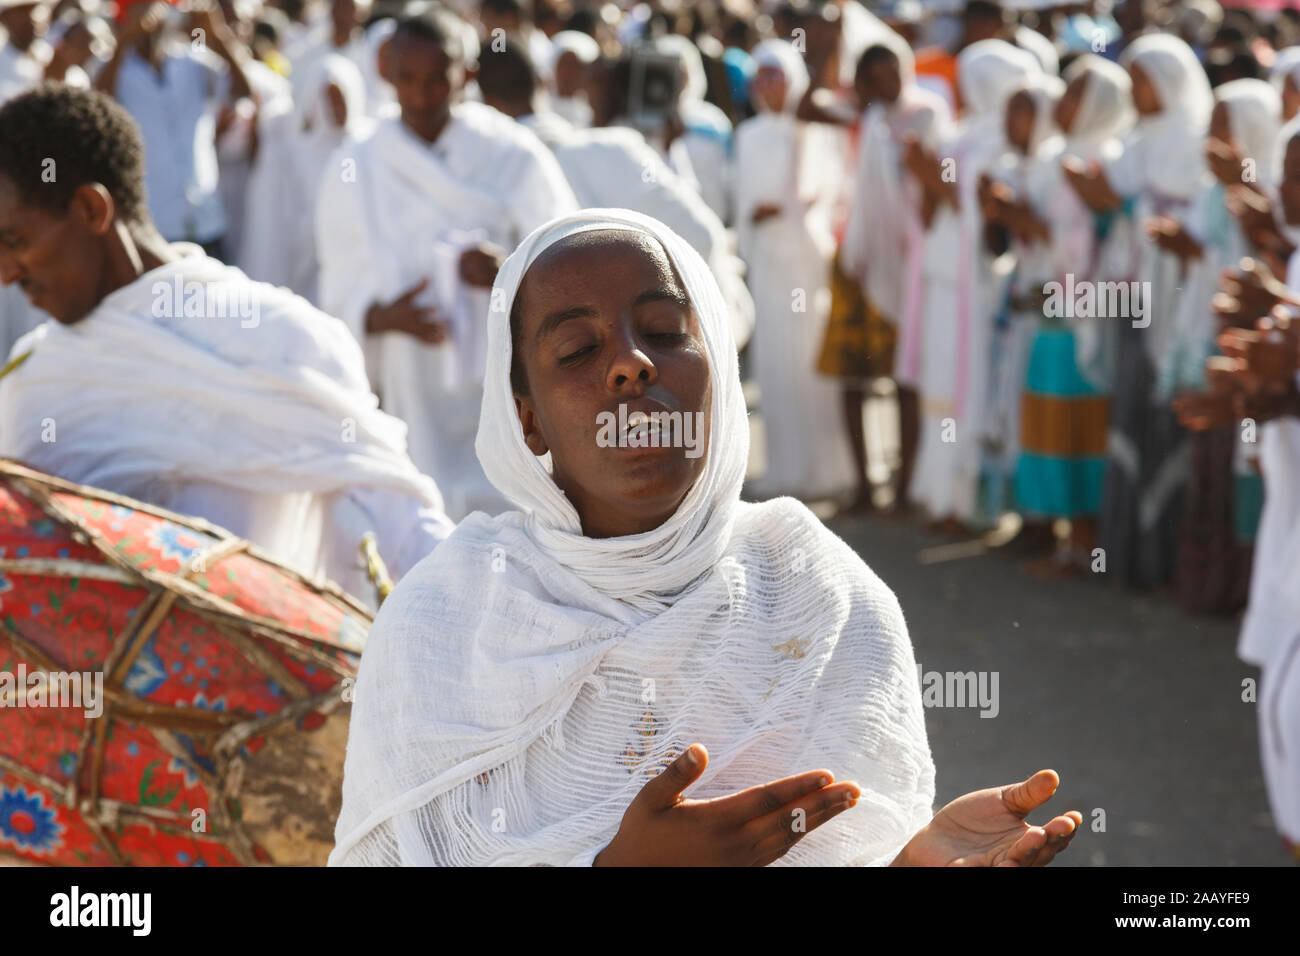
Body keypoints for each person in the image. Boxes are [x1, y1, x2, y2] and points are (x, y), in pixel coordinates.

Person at [329, 207, 1083, 866]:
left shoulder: (821, 594)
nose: (630, 363)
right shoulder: (445, 624)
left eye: (663, 332)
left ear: (717, 368)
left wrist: (911, 864)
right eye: (577, 351)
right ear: (527, 418)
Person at [0, 84, 453, 605]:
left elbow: (399, 525)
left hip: (280, 677)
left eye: (13, 242)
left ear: (90, 209)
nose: (8, 275)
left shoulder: (279, 335)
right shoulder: (36, 378)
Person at [315, 6, 577, 520]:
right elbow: (339, 277)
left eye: (437, 80)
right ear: (387, 74)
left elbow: (568, 258)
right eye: (407, 79)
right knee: (426, 518)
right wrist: (381, 315)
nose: (420, 95)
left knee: (515, 515)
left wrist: (505, 268)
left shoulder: (512, 153)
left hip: (502, 375)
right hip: (409, 375)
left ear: (467, 76)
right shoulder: (358, 161)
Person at [475, 36, 753, 350]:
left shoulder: (594, 148)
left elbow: (700, 234)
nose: (589, 90)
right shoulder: (598, 147)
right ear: (543, 80)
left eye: (601, 81)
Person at [1065, 33, 1212, 589]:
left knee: (1169, 421)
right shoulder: (1136, 140)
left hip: (1176, 307)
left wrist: (1124, 202)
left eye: (1144, 78)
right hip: (1132, 298)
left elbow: (1192, 230)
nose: (1136, 91)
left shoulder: (1193, 140)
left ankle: (1169, 557)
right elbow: (1118, 209)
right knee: (1128, 416)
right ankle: (1126, 553)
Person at [903, 38, 1040, 529]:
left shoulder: (999, 142)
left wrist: (928, 175)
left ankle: (966, 501)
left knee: (969, 384)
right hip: (942, 275)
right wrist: (924, 177)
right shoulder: (961, 132)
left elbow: (978, 214)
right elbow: (938, 204)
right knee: (940, 387)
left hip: (976, 283)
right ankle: (939, 494)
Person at [734, 39, 855, 502]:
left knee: (812, 363)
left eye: (775, 75)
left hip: (807, 261)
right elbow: (742, 202)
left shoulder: (815, 129)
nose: (767, 87)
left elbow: (826, 191)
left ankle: (825, 469)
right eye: (760, 77)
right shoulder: (748, 135)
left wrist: (783, 209)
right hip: (768, 263)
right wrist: (759, 218)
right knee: (777, 365)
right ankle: (786, 468)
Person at [835, 37, 951, 512]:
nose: (888, 86)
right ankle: (866, 485)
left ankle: (905, 488)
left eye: (894, 75)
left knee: (909, 379)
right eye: (876, 79)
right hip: (863, 260)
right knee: (853, 376)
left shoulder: (927, 113)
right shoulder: (871, 119)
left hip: (914, 264)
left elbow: (933, 185)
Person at [95, 0, 254, 258]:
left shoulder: (192, 61)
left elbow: (243, 90)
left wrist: (216, 34)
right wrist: (125, 41)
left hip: (206, 216)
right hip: (155, 224)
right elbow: (100, 105)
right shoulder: (113, 67)